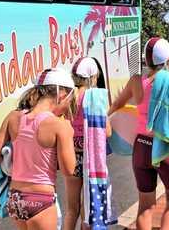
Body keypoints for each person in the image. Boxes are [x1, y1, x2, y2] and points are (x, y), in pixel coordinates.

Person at [108, 37, 169, 230]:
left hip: (141, 147)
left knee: (145, 204)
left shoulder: (135, 81)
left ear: (146, 61)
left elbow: (116, 105)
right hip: (166, 147)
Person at [0, 68, 76, 230]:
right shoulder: (59, 126)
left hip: (15, 199)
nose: (67, 107)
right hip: (41, 200)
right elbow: (69, 170)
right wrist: (69, 135)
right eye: (69, 101)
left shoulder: (13, 117)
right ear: (62, 95)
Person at [63, 57, 112, 230]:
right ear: (92, 76)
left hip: (71, 155)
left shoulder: (67, 97)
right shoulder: (94, 97)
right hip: (90, 159)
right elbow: (107, 132)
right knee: (88, 205)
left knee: (71, 209)